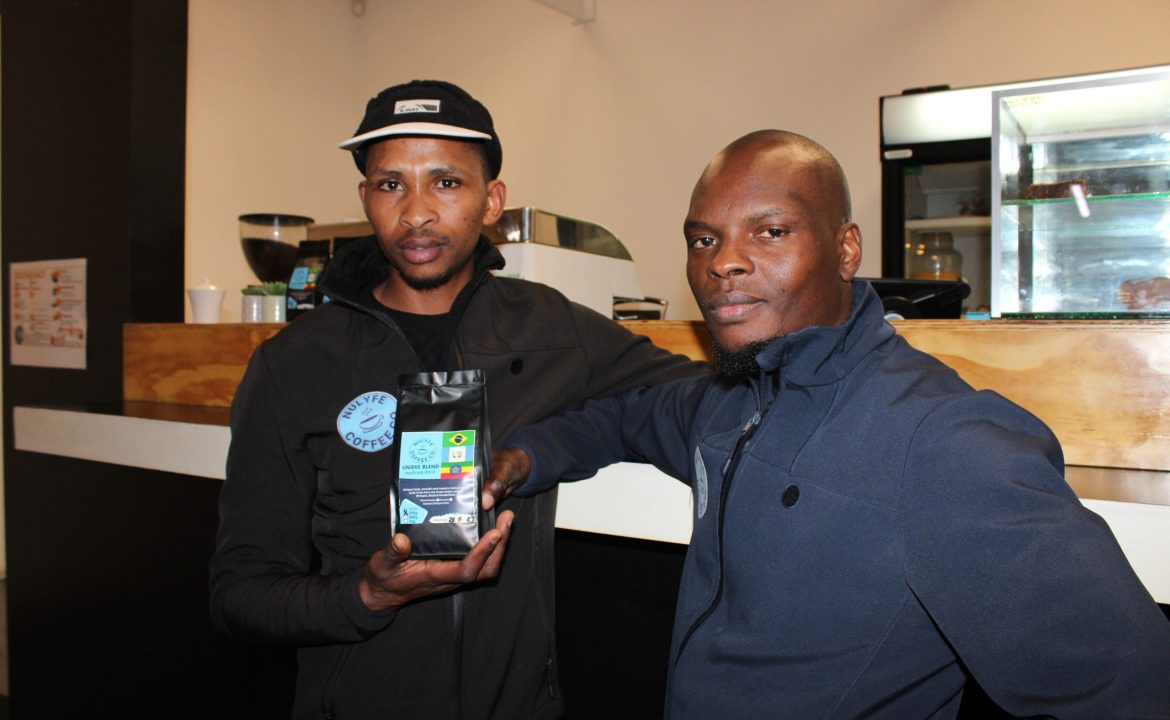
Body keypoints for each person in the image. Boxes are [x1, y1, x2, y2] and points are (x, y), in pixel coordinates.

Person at [487, 130, 1170, 719]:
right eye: (704, 238)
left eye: (770, 231)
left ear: (847, 250)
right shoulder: (727, 401)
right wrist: (525, 456)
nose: (722, 260)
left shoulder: (945, 439)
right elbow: (622, 418)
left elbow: (1127, 687)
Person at [209, 79, 704, 720]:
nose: (416, 212)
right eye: (391, 185)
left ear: (492, 199)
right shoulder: (293, 365)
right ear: (365, 198)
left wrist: (542, 448)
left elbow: (688, 393)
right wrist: (365, 595)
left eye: (446, 182)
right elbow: (238, 596)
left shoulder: (553, 331)